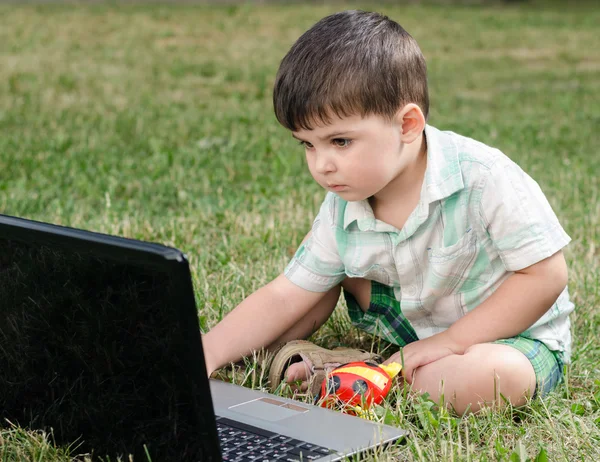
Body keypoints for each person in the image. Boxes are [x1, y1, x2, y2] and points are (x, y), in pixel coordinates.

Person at [202, 10, 573, 414]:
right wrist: (205, 352)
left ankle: (360, 374)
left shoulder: (484, 178)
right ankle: (374, 372)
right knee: (305, 290)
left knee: (483, 379)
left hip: (509, 334)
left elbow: (545, 276)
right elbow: (284, 295)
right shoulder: (345, 203)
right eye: (307, 145)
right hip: (412, 323)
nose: (321, 164)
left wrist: (450, 343)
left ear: (408, 125)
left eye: (340, 141)